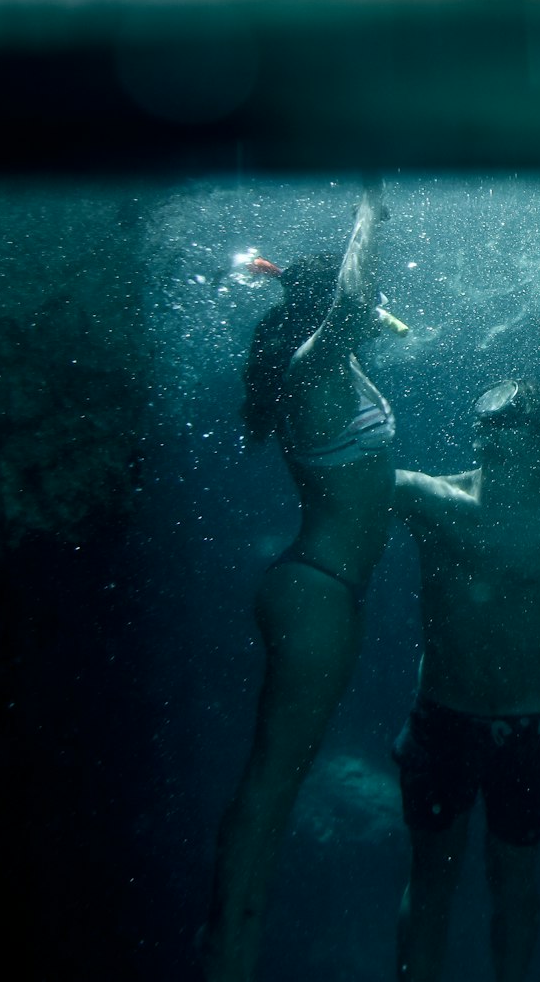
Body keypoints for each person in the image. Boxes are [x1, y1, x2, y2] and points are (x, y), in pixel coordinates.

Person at [201, 182, 395, 982]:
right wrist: (371, 209)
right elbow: (353, 296)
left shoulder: (323, 367)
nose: (383, 310)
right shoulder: (315, 365)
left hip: (316, 587)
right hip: (318, 591)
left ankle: (228, 949)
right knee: (273, 785)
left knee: (272, 778)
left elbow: (373, 480)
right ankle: (228, 960)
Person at [392, 379, 540, 982]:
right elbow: (346, 476)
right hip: (442, 720)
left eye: (510, 420)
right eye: (486, 419)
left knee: (514, 883)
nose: (489, 428)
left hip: (530, 729)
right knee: (432, 882)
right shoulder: (428, 498)